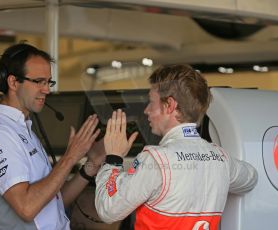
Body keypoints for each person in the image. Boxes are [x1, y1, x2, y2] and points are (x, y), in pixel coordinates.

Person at [95, 64, 258, 229]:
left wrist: (113, 159)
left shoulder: (156, 161)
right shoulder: (221, 159)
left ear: (170, 105)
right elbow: (251, 178)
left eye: (151, 102)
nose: (146, 110)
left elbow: (108, 210)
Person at [0, 43, 105, 229]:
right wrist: (70, 157)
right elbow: (27, 207)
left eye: (48, 82)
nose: (47, 90)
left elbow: (53, 203)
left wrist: (92, 165)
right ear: (13, 82)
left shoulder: (22, 128)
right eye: (39, 81)